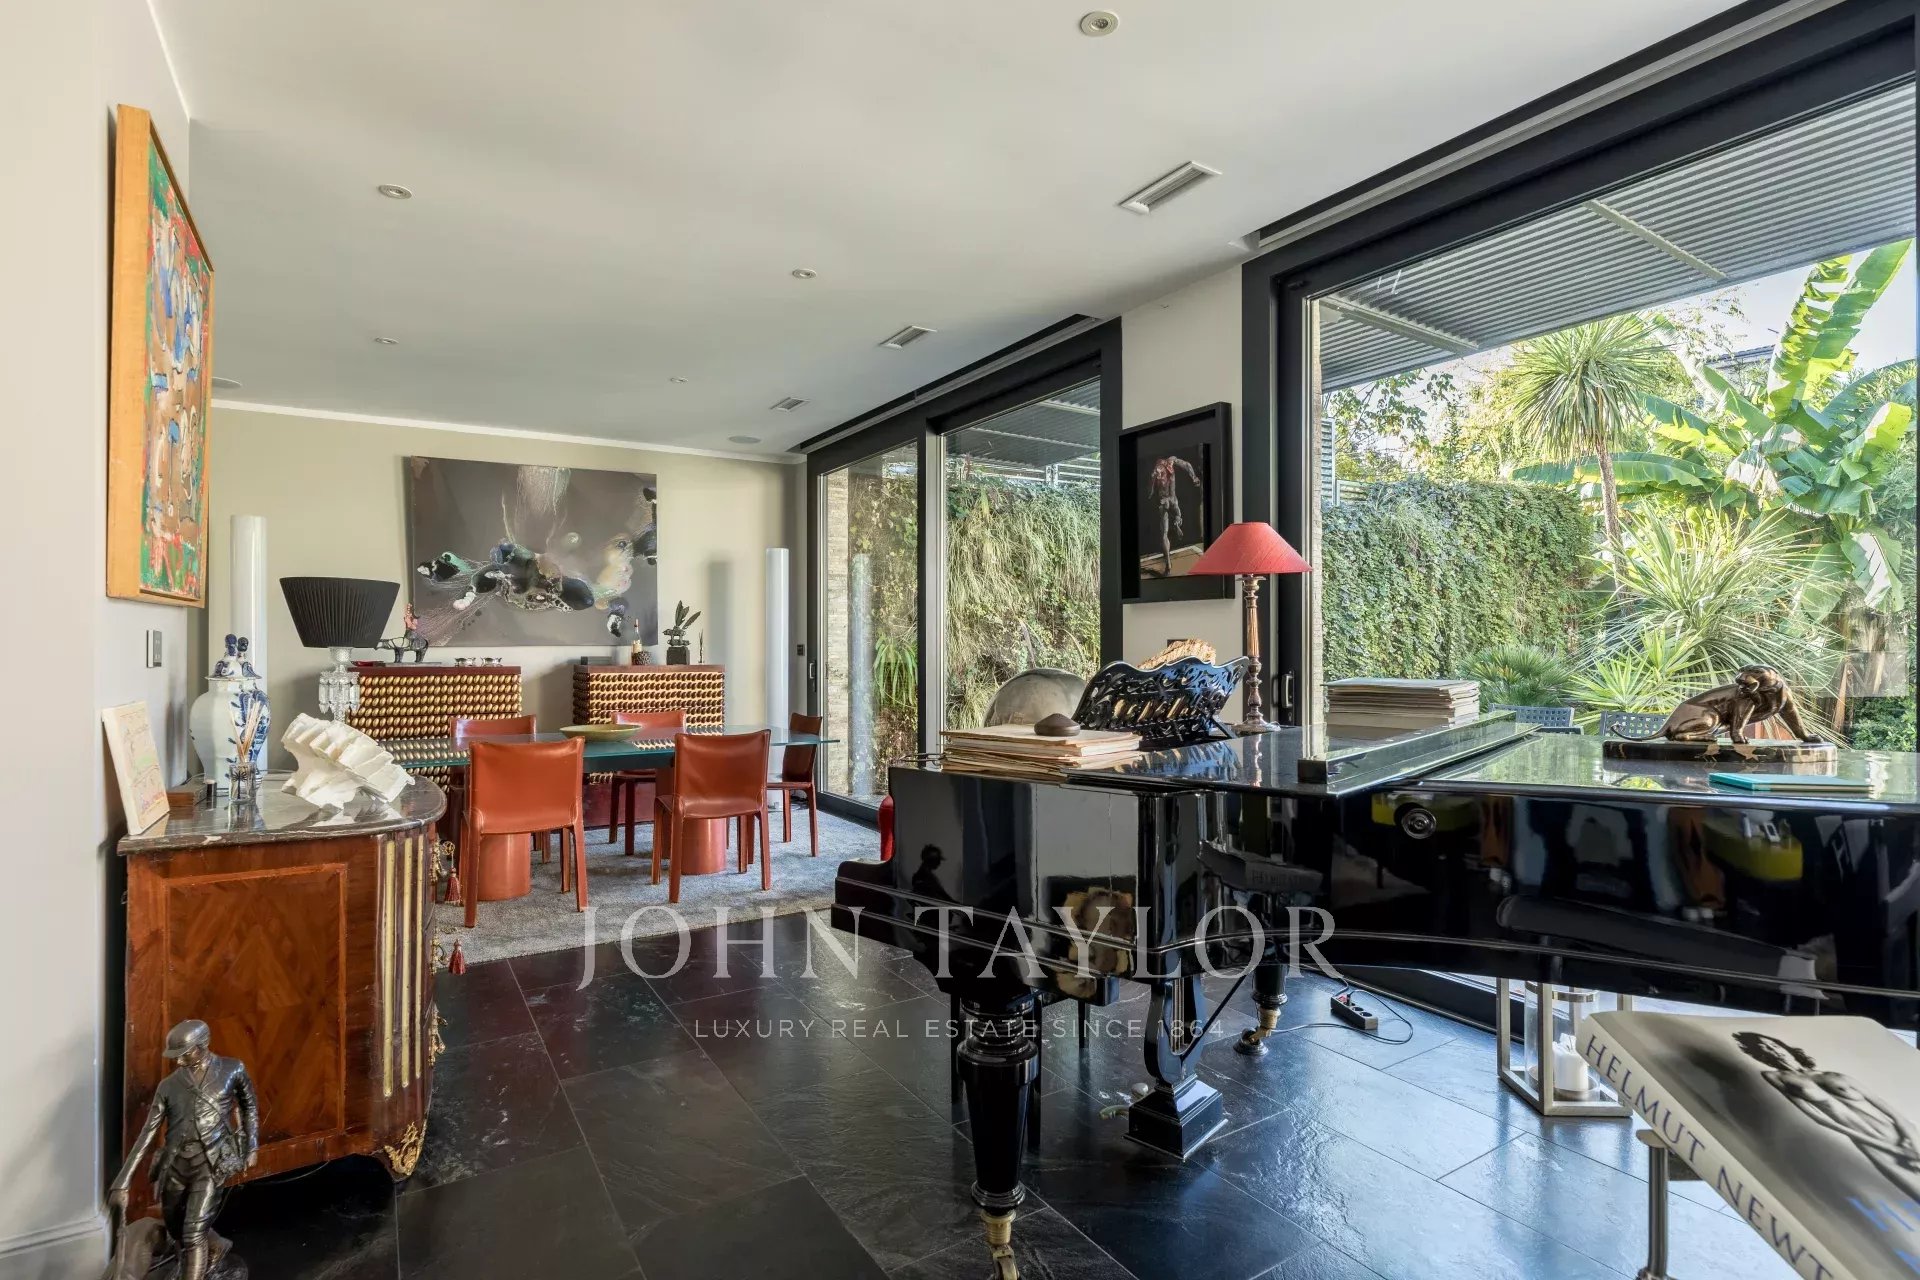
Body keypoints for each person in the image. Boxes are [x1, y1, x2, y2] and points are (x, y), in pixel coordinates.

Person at [108, 1020, 259, 1280]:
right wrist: (122, 1182)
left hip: (210, 1164)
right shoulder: (168, 1086)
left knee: (193, 1233)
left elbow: (250, 1107)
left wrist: (252, 1146)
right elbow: (147, 1133)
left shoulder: (232, 1069)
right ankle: (208, 1251)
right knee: (176, 1230)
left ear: (202, 1046)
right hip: (174, 1166)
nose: (178, 1061)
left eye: (184, 1054)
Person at [1734, 1030, 1920, 1202]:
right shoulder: (1775, 1076)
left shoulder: (1836, 1076)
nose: (1773, 1050)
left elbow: (1891, 1112)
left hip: (1899, 1132)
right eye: (1764, 1048)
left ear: (1784, 1047)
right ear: (1758, 1053)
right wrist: (1892, 1149)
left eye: (1774, 1045)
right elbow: (1819, 1118)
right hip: (1867, 1140)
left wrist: (1911, 1141)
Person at [1147, 453, 1203, 575]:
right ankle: (1177, 523)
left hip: (1164, 503)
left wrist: (1152, 481)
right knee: (1177, 515)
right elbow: (1187, 465)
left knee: (1164, 533)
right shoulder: (1169, 463)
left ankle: (1168, 563)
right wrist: (1193, 477)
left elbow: (1150, 494)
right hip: (1172, 501)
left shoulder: (1160, 468)